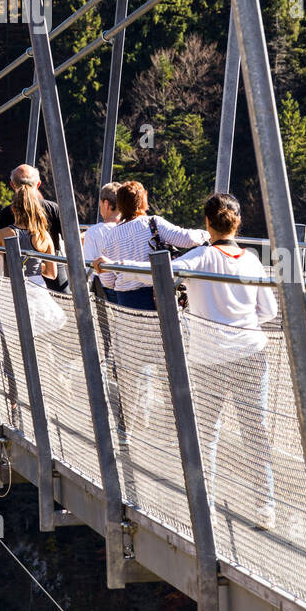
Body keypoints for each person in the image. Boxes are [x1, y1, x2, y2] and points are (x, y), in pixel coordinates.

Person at [175, 192, 278, 531]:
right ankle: (265, 507)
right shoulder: (251, 261)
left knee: (207, 432)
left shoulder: (199, 257)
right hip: (251, 352)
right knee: (255, 431)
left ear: (207, 223)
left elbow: (157, 271)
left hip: (210, 358)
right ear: (237, 223)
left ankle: (203, 501)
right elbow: (270, 311)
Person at [90, 181, 209, 440]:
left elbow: (107, 280)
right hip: (157, 306)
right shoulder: (152, 223)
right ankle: (176, 426)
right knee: (171, 363)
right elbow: (186, 238)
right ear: (143, 202)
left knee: (129, 369)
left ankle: (125, 429)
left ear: (119, 205)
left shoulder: (111, 236)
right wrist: (206, 235)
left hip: (126, 307)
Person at [0, 164, 67, 290]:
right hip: (43, 284)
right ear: (38, 184)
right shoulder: (47, 229)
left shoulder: (2, 223)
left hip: (13, 284)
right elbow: (54, 271)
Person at [0, 185, 58, 285]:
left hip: (12, 288)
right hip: (38, 289)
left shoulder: (0, 235)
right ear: (37, 209)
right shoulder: (44, 236)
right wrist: (36, 267)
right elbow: (52, 274)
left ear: (13, 209)